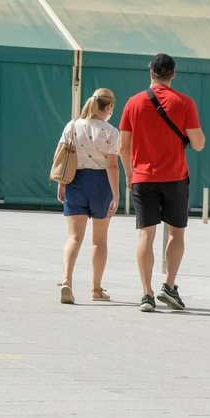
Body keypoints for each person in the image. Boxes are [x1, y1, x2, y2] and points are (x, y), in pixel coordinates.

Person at [119, 53, 205, 313]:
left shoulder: (133, 103)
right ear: (173, 75)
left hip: (143, 178)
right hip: (176, 177)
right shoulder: (185, 103)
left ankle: (146, 294)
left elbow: (123, 146)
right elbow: (199, 144)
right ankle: (168, 286)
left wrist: (129, 176)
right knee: (176, 232)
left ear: (151, 74)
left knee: (146, 234)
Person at [57, 88, 120, 304]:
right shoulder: (111, 131)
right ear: (110, 106)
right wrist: (116, 195)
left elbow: (61, 155)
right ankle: (95, 289)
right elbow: (112, 166)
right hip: (101, 184)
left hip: (75, 182)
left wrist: (61, 184)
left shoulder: (72, 125)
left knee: (74, 237)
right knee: (99, 241)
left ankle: (66, 279)